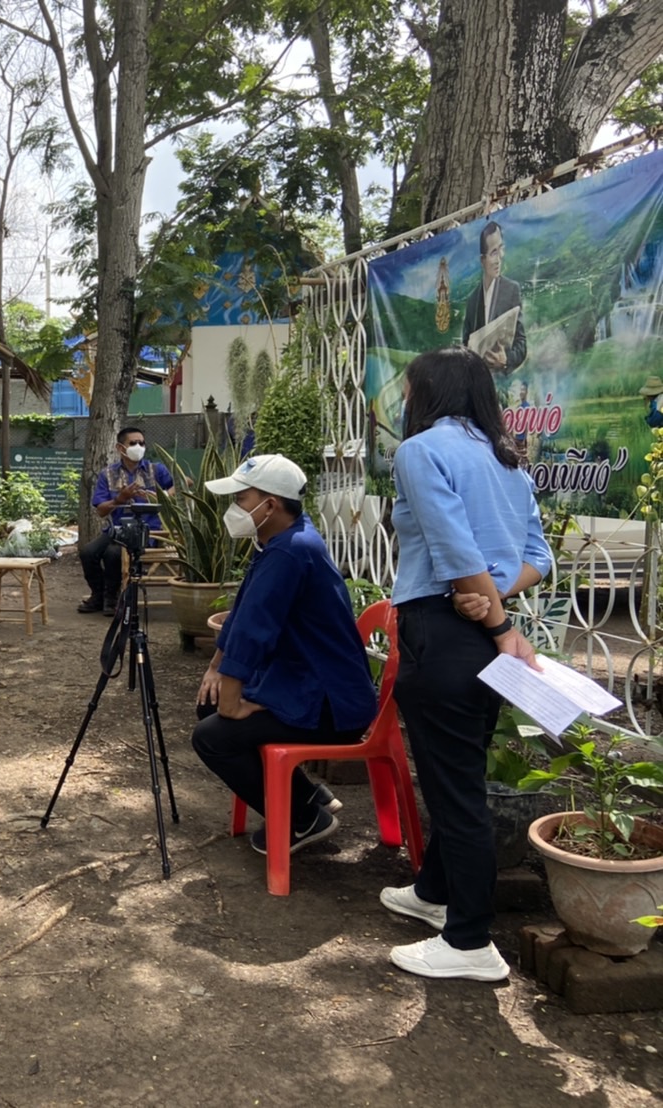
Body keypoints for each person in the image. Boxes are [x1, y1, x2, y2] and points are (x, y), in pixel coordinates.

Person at [382, 347, 550, 982]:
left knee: (457, 795)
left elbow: (454, 550)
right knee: (463, 774)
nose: (405, 400)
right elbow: (539, 554)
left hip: (450, 631)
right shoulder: (508, 461)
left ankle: (471, 941)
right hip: (479, 632)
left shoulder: (421, 451)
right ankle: (432, 894)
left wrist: (497, 620)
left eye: (409, 389)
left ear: (428, 392)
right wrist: (498, 597)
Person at [190, 455, 377, 854]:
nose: (235, 508)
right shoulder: (284, 541)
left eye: (241, 498)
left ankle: (303, 819)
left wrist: (233, 701)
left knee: (212, 738)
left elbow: (255, 631)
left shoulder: (289, 553)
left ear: (270, 504)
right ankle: (310, 796)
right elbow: (244, 612)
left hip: (331, 703)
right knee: (210, 709)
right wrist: (215, 670)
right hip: (310, 682)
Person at [78, 427, 174, 615]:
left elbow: (183, 483)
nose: (138, 446)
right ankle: (98, 595)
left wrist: (161, 497)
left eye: (142, 443)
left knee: (113, 554)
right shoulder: (107, 474)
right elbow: (100, 510)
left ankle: (112, 599)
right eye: (133, 443)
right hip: (118, 529)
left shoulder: (156, 470)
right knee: (88, 552)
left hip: (148, 530)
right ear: (120, 448)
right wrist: (119, 500)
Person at [461, 221, 527, 374]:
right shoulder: (472, 300)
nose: (499, 259)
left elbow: (521, 343)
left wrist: (506, 360)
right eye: (493, 253)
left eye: (500, 249)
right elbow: (466, 343)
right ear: (482, 260)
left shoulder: (511, 290)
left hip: (503, 382)